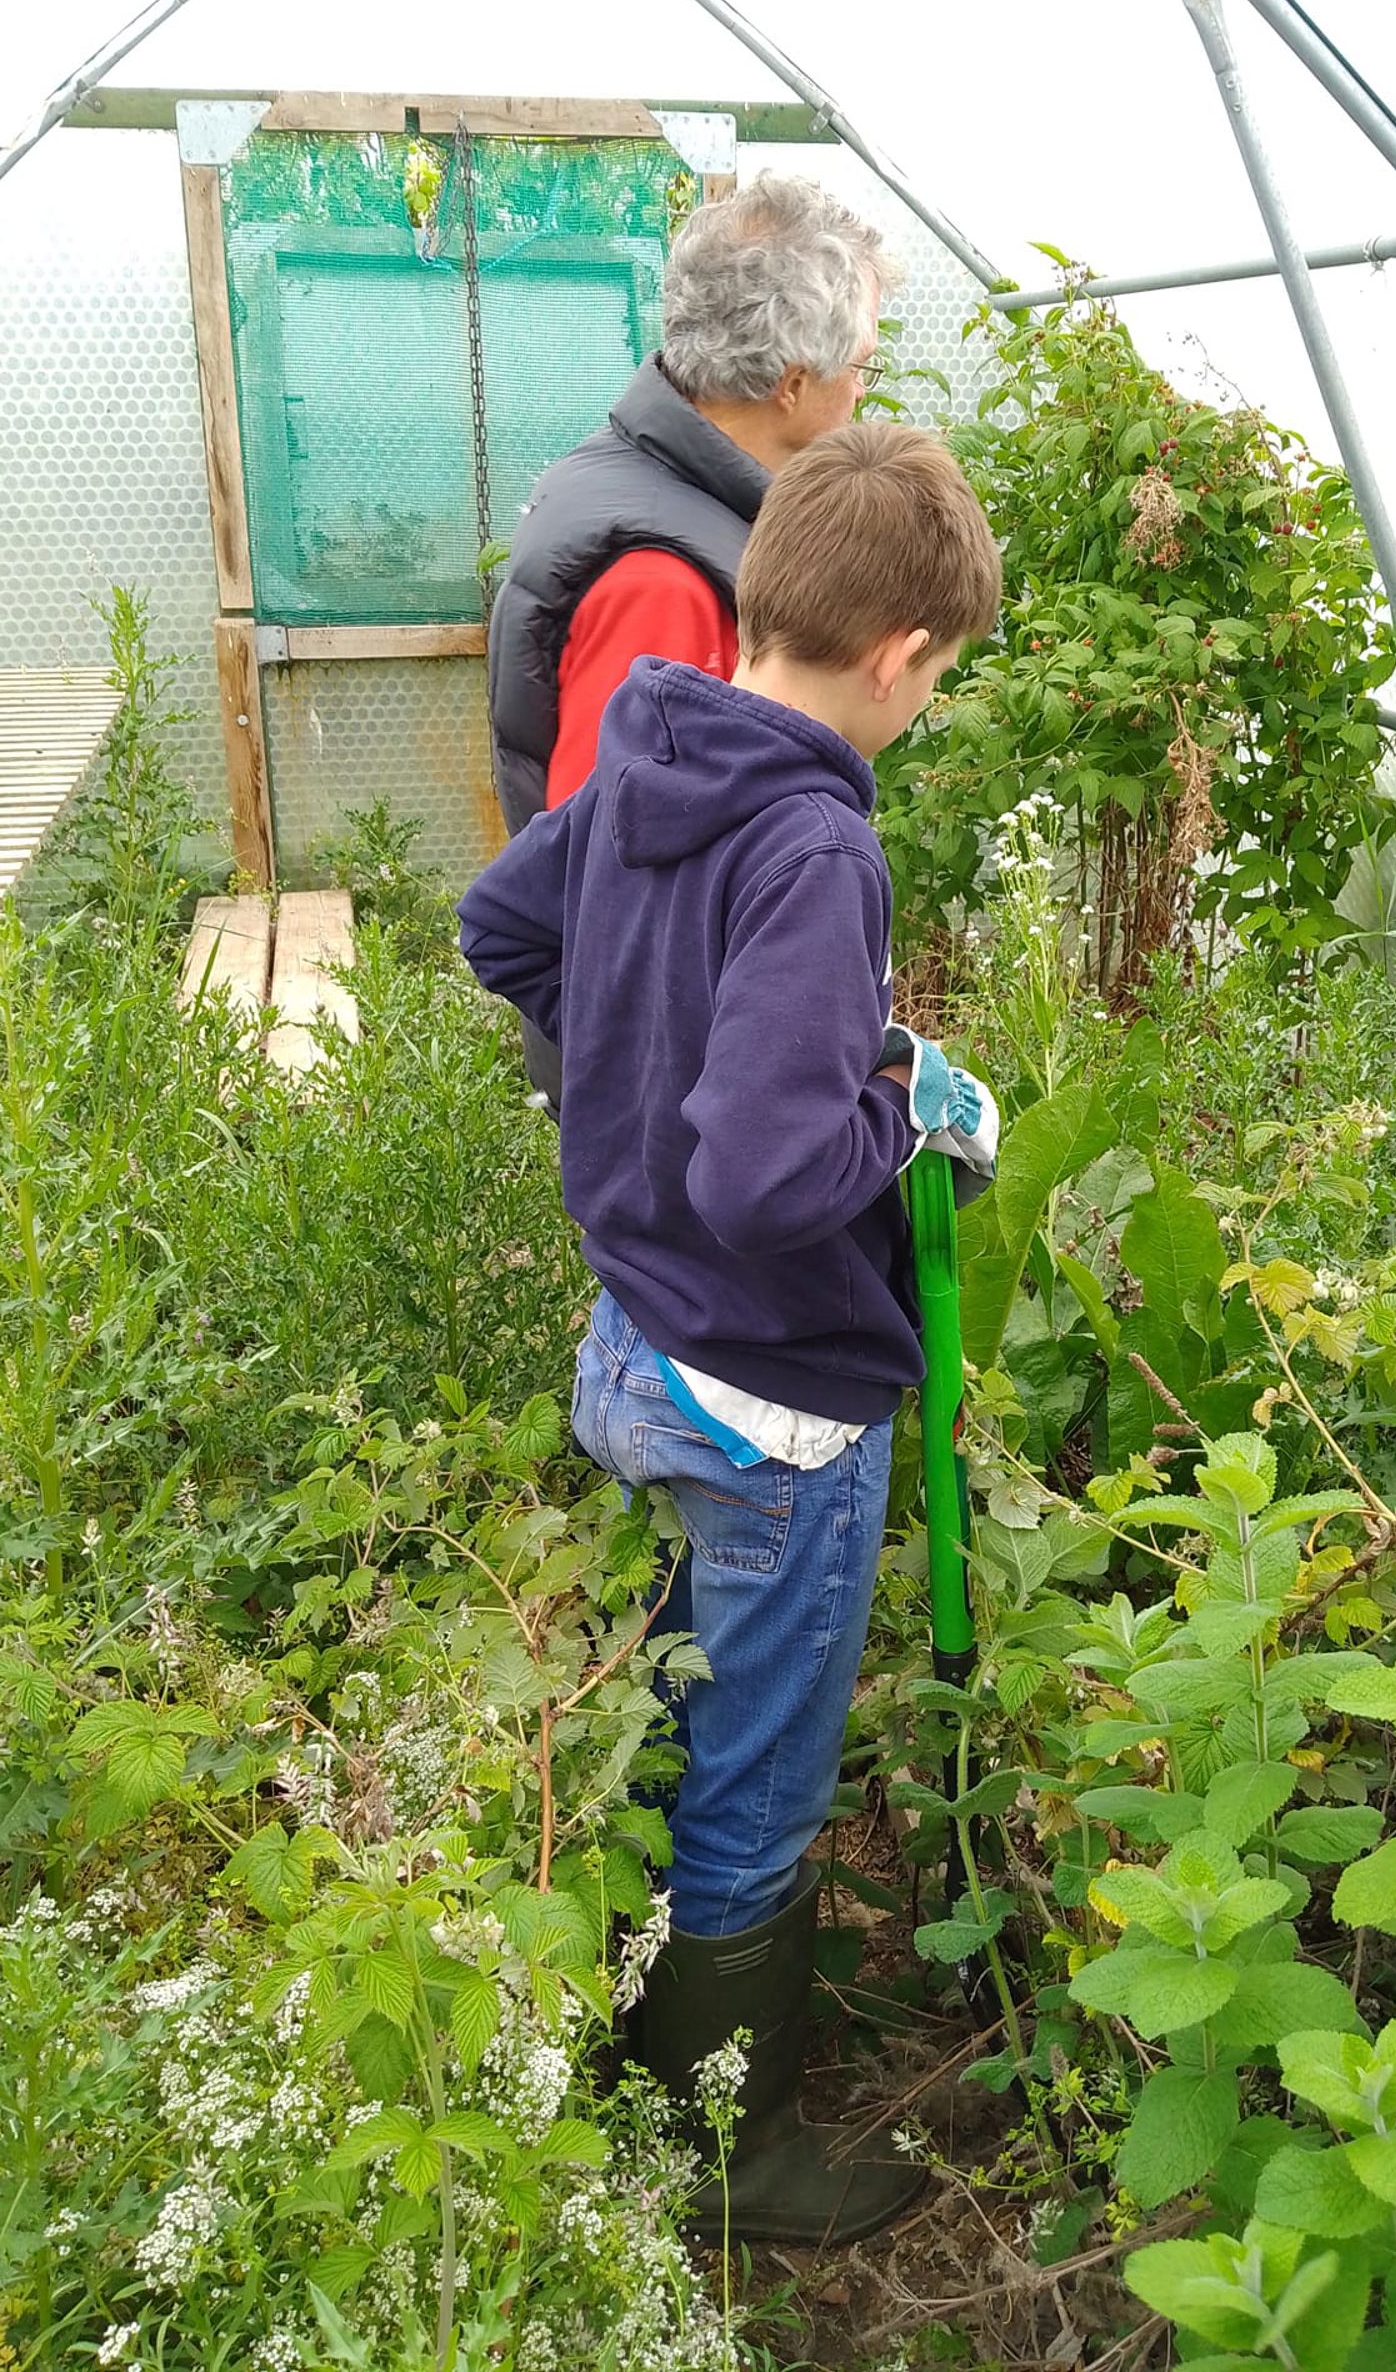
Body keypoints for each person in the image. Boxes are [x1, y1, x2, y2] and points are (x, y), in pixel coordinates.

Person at [458, 424, 1003, 2245]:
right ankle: (729, 2160)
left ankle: (633, 2036)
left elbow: (500, 926)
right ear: (906, 656)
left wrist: (635, 1095)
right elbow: (776, 1176)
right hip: (770, 1402)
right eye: (940, 678)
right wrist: (910, 1116)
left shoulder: (650, 746)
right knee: (757, 1784)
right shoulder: (817, 850)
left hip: (639, 1344)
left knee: (673, 1700)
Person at [485, 177, 896, 1110]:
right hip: (679, 1113)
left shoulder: (654, 485)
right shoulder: (662, 586)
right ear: (793, 383)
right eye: (861, 366)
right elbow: (613, 897)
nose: (866, 391)